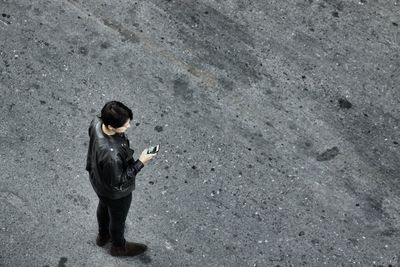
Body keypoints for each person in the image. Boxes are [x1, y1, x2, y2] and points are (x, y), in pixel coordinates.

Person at [85, 101, 157, 256]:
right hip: (116, 193)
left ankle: (103, 236)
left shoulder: (96, 123)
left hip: (98, 181)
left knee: (104, 206)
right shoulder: (113, 156)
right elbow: (121, 179)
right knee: (118, 219)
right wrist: (141, 161)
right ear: (111, 126)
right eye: (124, 125)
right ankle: (119, 247)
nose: (128, 127)